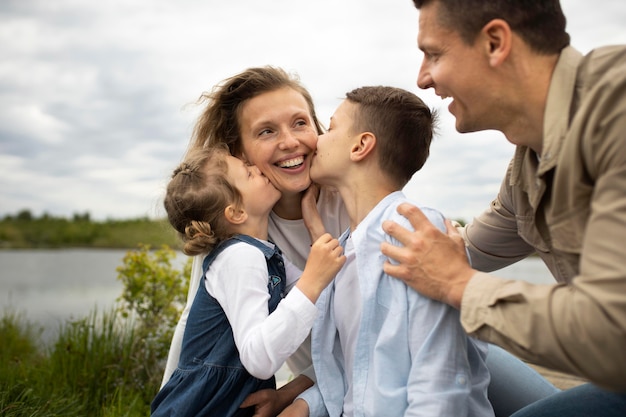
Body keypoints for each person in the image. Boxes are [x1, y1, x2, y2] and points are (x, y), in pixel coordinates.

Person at [162, 66, 556, 416]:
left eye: (302, 123)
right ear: (241, 155)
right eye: (266, 131)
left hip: (401, 367)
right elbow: (193, 332)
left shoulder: (350, 200)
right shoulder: (235, 239)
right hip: (343, 380)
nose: (290, 141)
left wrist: (298, 395)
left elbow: (421, 348)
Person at [380, 1, 626, 416]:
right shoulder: (525, 170)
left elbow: (611, 333)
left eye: (434, 54)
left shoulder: (615, 109)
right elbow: (446, 259)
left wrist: (460, 285)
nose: (423, 78)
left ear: (495, 43)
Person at [283, 85, 494, 416]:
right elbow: (355, 376)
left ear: (361, 146)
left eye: (332, 127)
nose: (317, 140)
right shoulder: (344, 250)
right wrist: (305, 405)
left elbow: (441, 389)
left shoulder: (417, 234)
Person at [151, 146, 345, 416]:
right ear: (237, 213)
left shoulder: (264, 255)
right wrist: (312, 279)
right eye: (248, 172)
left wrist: (314, 225)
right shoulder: (240, 257)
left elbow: (326, 302)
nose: (257, 168)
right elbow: (258, 359)